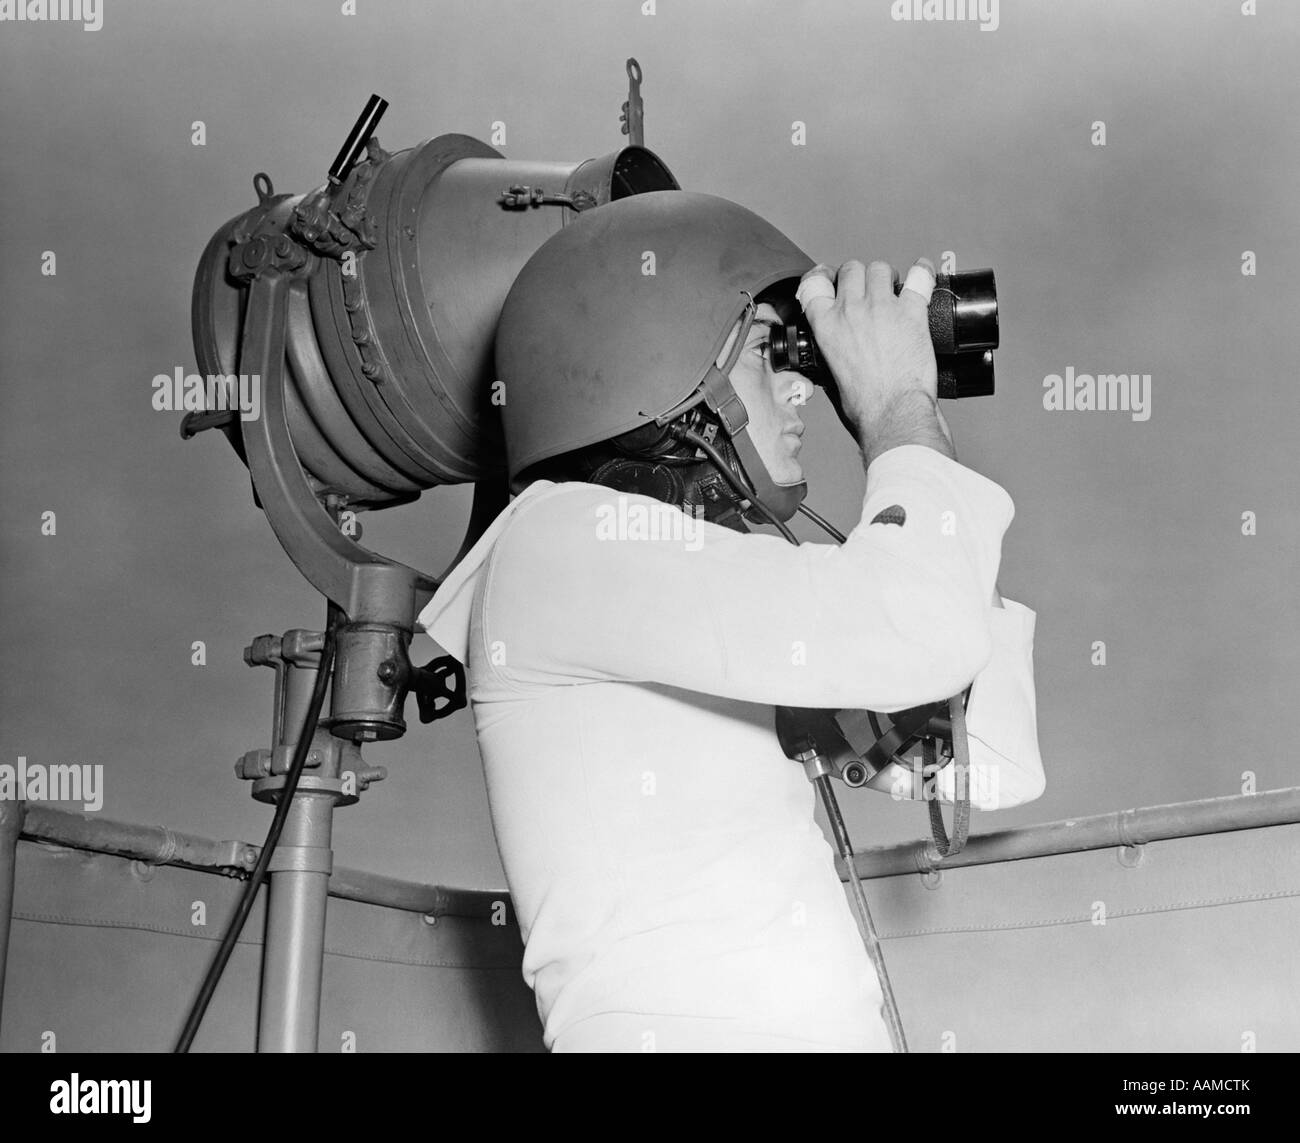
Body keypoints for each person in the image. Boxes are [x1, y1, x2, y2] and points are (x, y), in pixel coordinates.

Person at [418, 190, 1044, 1052]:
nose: (798, 389)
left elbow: (982, 767)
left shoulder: (705, 598)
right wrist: (899, 406)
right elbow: (917, 629)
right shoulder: (562, 543)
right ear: (657, 369)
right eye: (765, 351)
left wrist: (915, 431)